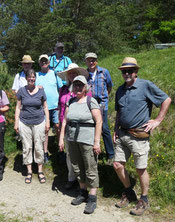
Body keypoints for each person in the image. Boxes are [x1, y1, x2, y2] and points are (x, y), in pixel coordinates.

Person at [113, 57, 171, 216]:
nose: (127, 73)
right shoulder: (120, 90)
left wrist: (158, 120)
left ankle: (144, 199)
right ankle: (129, 191)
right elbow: (119, 112)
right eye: (124, 71)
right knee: (117, 165)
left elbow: (166, 99)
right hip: (122, 134)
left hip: (139, 135)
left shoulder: (145, 85)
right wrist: (115, 130)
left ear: (136, 71)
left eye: (130, 70)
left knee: (140, 169)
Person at [59, 75, 102, 214]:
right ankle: (82, 192)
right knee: (77, 166)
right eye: (75, 85)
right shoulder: (70, 102)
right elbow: (64, 121)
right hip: (72, 139)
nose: (78, 87)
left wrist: (96, 142)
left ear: (85, 88)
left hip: (87, 140)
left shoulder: (91, 101)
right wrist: (61, 139)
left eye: (80, 85)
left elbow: (99, 121)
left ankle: (92, 198)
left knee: (90, 167)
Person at [14, 69, 50, 184]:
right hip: (24, 122)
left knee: (39, 146)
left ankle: (40, 170)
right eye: (29, 77)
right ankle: (29, 171)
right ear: (26, 78)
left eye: (33, 77)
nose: (31, 79)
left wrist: (47, 121)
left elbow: (45, 107)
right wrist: (16, 122)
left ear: (35, 78)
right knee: (27, 146)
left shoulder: (41, 91)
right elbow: (18, 107)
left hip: (39, 121)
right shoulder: (21, 91)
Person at [57, 63, 89, 190]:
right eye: (70, 73)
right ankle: (71, 178)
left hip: (81, 127)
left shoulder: (83, 89)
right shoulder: (63, 90)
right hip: (66, 125)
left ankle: (83, 179)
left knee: (82, 153)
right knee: (69, 154)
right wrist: (58, 124)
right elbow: (60, 107)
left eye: (74, 73)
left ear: (78, 75)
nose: (72, 75)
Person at [85, 52, 114, 164]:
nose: (91, 62)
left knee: (105, 128)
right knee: (91, 127)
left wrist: (104, 96)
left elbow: (109, 86)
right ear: (86, 62)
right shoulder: (85, 74)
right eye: (89, 60)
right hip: (89, 105)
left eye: (93, 60)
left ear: (96, 61)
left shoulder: (104, 72)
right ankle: (92, 151)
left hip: (102, 104)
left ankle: (111, 154)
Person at [36, 54, 63, 162]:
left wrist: (60, 104)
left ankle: (61, 150)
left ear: (49, 62)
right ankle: (45, 152)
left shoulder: (55, 74)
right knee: (45, 130)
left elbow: (61, 89)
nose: (44, 63)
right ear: (39, 63)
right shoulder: (36, 75)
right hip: (42, 107)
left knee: (58, 127)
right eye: (42, 61)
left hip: (55, 106)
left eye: (45, 61)